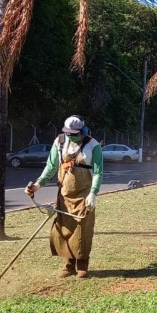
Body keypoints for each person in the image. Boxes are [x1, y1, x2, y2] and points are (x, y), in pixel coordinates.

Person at [24, 115, 103, 278]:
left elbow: (98, 172)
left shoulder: (93, 146)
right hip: (64, 194)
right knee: (65, 228)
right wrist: (38, 184)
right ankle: (68, 265)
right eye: (67, 132)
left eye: (74, 133)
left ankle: (82, 264)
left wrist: (93, 194)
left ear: (81, 131)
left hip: (84, 195)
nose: (70, 136)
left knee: (82, 229)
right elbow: (51, 166)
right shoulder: (59, 142)